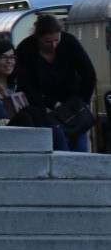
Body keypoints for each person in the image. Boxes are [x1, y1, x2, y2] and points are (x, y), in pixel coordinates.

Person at [15, 13, 97, 153]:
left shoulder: (69, 42)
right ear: (38, 37)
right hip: (45, 109)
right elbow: (25, 85)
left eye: (57, 40)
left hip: (73, 106)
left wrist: (80, 103)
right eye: (48, 41)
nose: (53, 45)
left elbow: (89, 74)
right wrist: (47, 105)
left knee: (79, 150)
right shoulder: (25, 49)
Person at [0, 36, 40, 129]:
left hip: (21, 125)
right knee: (24, 117)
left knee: (35, 113)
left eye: (12, 57)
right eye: (4, 57)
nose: (9, 61)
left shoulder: (18, 81)